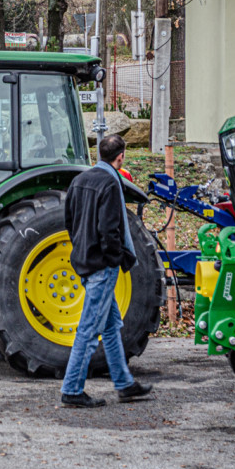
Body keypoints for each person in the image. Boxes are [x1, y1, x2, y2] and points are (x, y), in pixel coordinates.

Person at [61, 134, 153, 408]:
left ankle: (125, 385)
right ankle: (71, 389)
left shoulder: (79, 181)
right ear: (121, 156)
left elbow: (70, 221)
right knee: (89, 330)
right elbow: (109, 230)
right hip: (103, 267)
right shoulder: (111, 183)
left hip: (85, 262)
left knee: (111, 326)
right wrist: (116, 259)